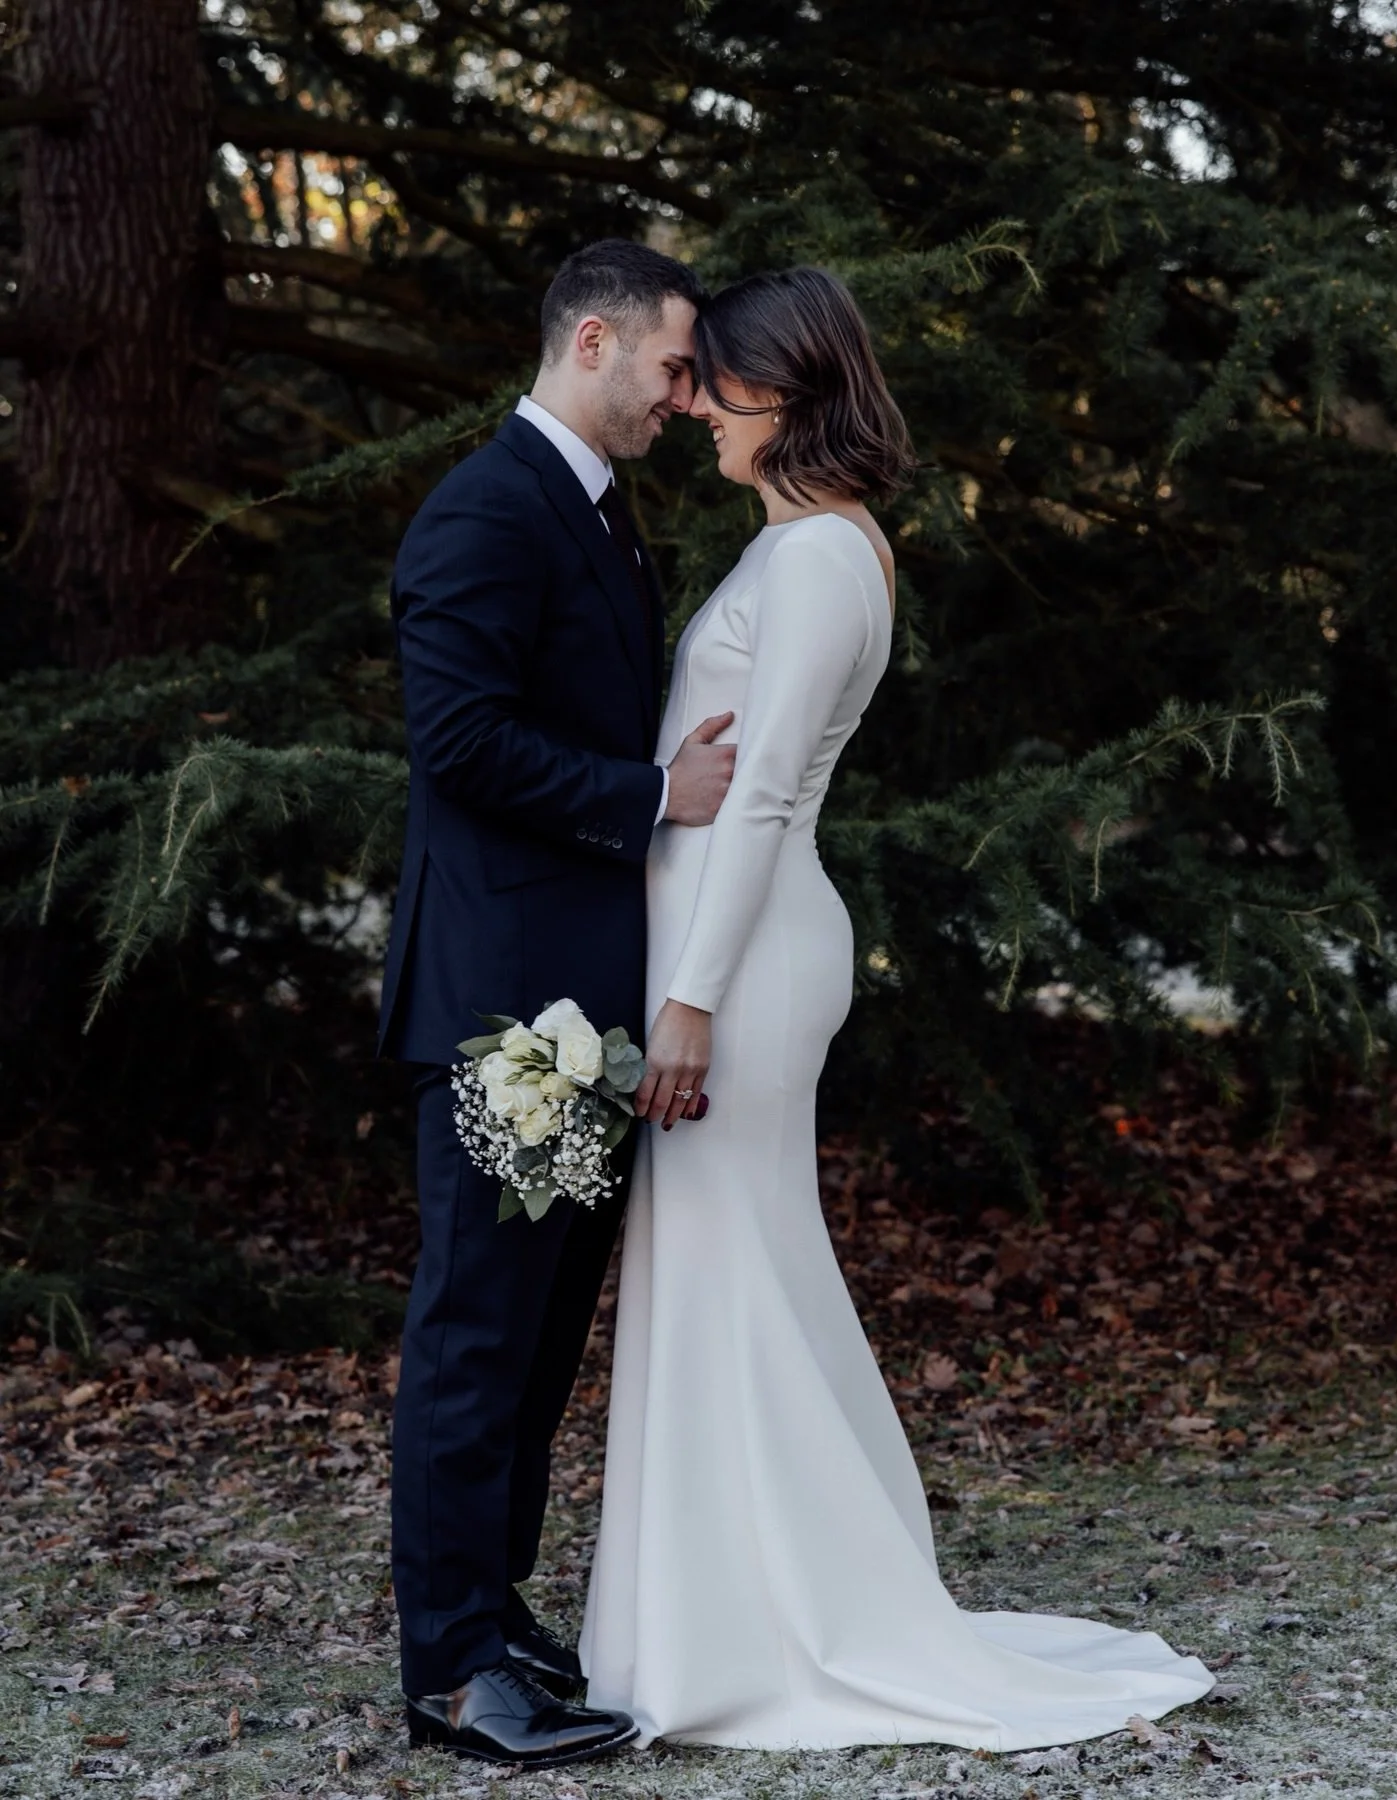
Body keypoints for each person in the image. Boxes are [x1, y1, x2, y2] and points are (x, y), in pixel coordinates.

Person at [579, 266, 1216, 1751]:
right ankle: (720, 1607)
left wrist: (686, 1003)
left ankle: (784, 1624)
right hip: (730, 953)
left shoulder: (815, 562)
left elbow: (765, 800)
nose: (687, 407)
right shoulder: (811, 544)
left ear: (779, 394)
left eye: (706, 384)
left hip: (741, 965)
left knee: (742, 1277)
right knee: (739, 1273)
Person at [377, 239, 736, 1770]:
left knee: (533, 1347)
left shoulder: (597, 515)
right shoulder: (482, 511)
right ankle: (453, 1671)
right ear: (592, 341)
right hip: (502, 1014)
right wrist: (658, 793)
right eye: (670, 365)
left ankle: (495, 1611)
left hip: (576, 1011)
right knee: (475, 1339)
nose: (685, 395)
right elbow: (458, 743)